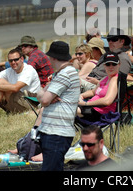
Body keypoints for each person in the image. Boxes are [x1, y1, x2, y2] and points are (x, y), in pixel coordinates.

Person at [36, 41, 80, 171]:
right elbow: (44, 97)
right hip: (55, 131)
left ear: (53, 57)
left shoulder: (65, 74)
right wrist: (46, 96)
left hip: (56, 133)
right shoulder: (62, 73)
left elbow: (43, 100)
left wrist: (44, 96)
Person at [0, 47, 41, 121]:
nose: (13, 62)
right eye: (10, 60)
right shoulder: (10, 70)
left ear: (22, 59)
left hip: (30, 104)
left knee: (0, 83)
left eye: (16, 59)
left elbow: (15, 88)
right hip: (16, 102)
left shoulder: (29, 70)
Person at [82, 28, 132, 92]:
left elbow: (119, 84)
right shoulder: (106, 55)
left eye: (114, 39)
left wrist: (97, 82)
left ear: (122, 41)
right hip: (91, 83)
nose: (110, 42)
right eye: (109, 40)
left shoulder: (123, 58)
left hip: (100, 87)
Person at [77, 53, 120, 121]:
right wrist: (81, 95)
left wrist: (86, 104)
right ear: (104, 66)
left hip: (101, 113)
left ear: (119, 65)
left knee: (67, 109)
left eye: (114, 64)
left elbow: (107, 101)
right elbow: (92, 92)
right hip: (91, 108)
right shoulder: (105, 78)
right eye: (108, 64)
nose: (111, 67)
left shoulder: (115, 79)